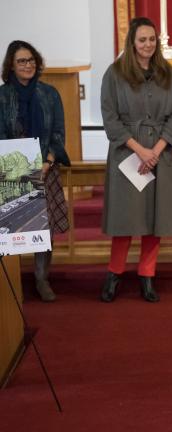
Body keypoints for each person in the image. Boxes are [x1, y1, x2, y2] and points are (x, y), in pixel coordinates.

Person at [100, 17, 172, 303]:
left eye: (152, 39)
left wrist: (156, 151)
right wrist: (140, 150)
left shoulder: (169, 74)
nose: (148, 44)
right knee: (126, 220)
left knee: (154, 220)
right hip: (128, 153)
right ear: (132, 43)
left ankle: (147, 276)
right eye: (142, 40)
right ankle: (114, 274)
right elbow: (111, 120)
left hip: (160, 154)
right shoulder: (114, 74)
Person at [0, 40, 71, 302]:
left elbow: (58, 133)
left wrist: (47, 161)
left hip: (45, 168)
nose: (28, 65)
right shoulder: (2, 96)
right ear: (11, 65)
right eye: (22, 61)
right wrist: (17, 167)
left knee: (44, 227)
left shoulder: (49, 94)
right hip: (12, 172)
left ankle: (42, 279)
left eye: (31, 60)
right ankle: (12, 283)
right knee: (11, 228)